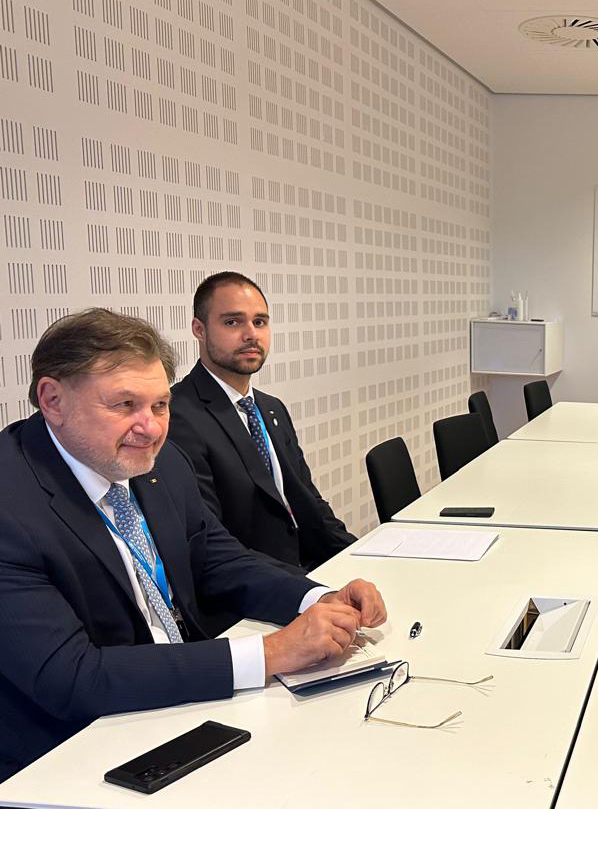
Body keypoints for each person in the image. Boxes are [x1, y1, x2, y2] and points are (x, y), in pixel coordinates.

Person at [0, 309, 387, 782]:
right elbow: (72, 677)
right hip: (69, 754)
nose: (151, 428)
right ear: (52, 399)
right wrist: (270, 654)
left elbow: (218, 559)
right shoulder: (10, 503)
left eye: (160, 405)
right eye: (124, 405)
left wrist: (317, 598)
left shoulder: (159, 462)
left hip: (178, 705)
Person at [168, 272, 355, 571]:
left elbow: (310, 503)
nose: (251, 334)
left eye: (260, 322)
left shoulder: (271, 408)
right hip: (256, 589)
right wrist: (308, 591)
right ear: (199, 329)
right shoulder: (178, 416)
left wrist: (360, 555)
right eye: (232, 322)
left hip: (310, 569)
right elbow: (213, 543)